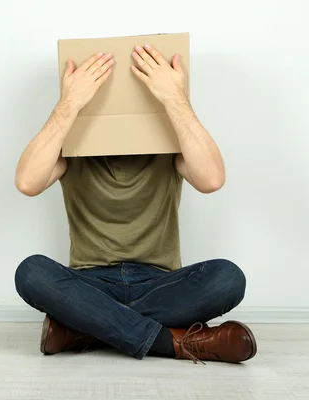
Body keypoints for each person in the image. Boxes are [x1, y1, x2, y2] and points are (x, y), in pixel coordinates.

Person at [13, 44, 256, 364]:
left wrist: (174, 97)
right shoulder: (70, 147)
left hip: (160, 284)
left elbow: (211, 179)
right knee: (30, 272)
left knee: (228, 278)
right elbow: (27, 182)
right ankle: (174, 343)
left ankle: (85, 329)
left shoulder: (171, 144)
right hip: (90, 283)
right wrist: (70, 102)